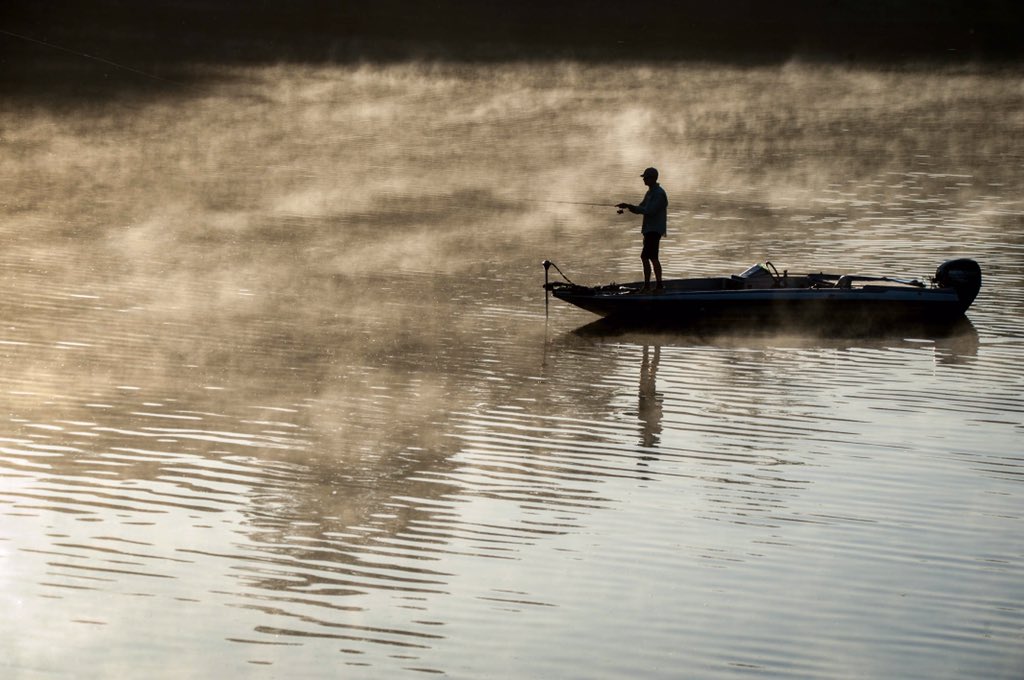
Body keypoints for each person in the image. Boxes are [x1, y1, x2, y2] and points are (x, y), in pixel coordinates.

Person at [617, 167, 668, 292]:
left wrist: (631, 207)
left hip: (654, 230)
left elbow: (649, 211)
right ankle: (650, 285)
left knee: (649, 257)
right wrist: (628, 206)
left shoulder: (659, 194)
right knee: (648, 257)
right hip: (648, 230)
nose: (644, 179)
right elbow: (641, 207)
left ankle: (655, 286)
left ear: (653, 178)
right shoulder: (650, 192)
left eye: (646, 177)